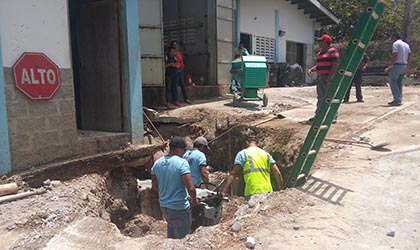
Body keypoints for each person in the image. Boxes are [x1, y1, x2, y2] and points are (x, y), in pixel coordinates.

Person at [151, 136, 199, 239]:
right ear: (178, 149)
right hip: (179, 207)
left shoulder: (157, 163)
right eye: (184, 150)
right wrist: (194, 200)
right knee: (183, 239)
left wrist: (167, 192)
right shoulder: (182, 163)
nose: (184, 153)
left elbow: (154, 186)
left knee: (171, 235)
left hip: (164, 206)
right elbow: (190, 188)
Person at [221, 135, 283, 200]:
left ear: (247, 142)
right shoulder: (266, 154)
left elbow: (233, 174)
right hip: (268, 193)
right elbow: (277, 172)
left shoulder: (243, 153)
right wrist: (281, 190)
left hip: (252, 192)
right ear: (257, 143)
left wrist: (224, 190)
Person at [307, 34, 339, 123]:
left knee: (330, 97)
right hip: (320, 77)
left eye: (320, 41)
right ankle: (318, 116)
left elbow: (335, 65)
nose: (319, 43)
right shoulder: (320, 53)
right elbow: (319, 65)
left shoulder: (333, 51)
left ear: (325, 42)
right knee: (321, 97)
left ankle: (333, 116)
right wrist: (311, 70)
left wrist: (330, 77)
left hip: (328, 77)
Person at [384, 34, 411, 106]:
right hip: (404, 65)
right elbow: (409, 56)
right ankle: (399, 98)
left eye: (392, 38)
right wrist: (408, 66)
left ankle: (397, 99)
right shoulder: (406, 45)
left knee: (392, 81)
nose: (391, 40)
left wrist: (390, 65)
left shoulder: (396, 44)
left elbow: (394, 54)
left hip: (397, 65)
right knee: (399, 82)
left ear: (394, 37)